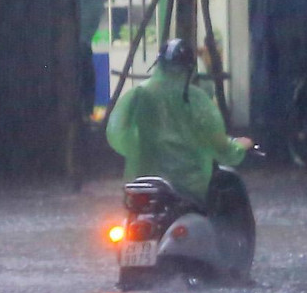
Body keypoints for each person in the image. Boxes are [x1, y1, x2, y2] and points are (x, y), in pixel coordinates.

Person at [106, 38, 253, 204]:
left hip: (143, 186)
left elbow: (117, 132)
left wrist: (138, 146)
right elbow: (219, 145)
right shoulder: (197, 100)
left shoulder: (138, 94)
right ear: (189, 69)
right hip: (189, 189)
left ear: (158, 64)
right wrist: (239, 146)